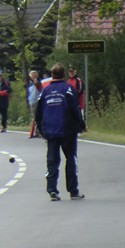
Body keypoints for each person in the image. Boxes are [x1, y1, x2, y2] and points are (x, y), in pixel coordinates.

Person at [34, 63, 87, 201]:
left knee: (52, 160)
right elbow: (75, 109)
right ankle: (73, 191)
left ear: (52, 75)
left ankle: (52, 190)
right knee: (71, 159)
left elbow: (38, 112)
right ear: (63, 74)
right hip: (67, 130)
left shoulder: (45, 91)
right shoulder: (68, 89)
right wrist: (81, 125)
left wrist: (41, 129)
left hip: (50, 131)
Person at [27, 69, 42, 138]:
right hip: (32, 101)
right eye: (32, 75)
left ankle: (37, 131)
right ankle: (34, 132)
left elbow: (39, 88)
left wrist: (37, 83)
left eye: (35, 75)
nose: (34, 76)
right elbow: (29, 93)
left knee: (38, 117)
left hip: (38, 100)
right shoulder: (30, 83)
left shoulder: (39, 82)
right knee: (34, 117)